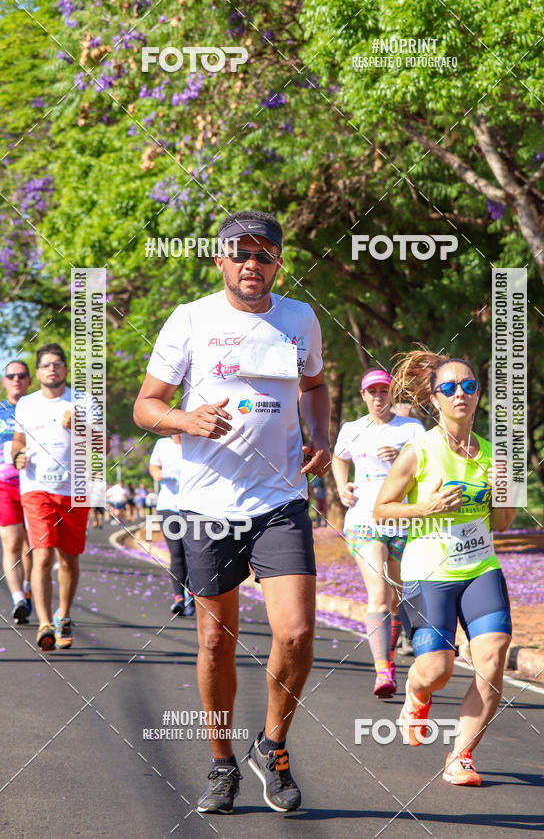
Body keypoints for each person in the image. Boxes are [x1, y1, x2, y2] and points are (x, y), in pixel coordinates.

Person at [134, 210, 330, 815]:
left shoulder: (299, 318)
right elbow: (146, 406)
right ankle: (222, 763)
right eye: (239, 253)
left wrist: (318, 436)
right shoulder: (190, 319)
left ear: (279, 260)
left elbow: (316, 386)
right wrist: (185, 419)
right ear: (219, 259)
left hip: (279, 500)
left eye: (263, 253)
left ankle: (271, 748)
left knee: (296, 633)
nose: (252, 264)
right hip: (205, 504)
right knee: (216, 645)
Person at [373, 350, 515, 786]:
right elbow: (381, 511)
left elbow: (502, 524)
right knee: (438, 670)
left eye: (469, 386)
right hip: (428, 572)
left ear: (479, 394)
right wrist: (427, 506)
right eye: (449, 388)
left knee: (492, 657)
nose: (460, 394)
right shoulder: (418, 451)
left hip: (479, 567)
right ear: (434, 399)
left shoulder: (494, 454)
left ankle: (461, 756)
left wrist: (502, 490)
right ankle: (416, 694)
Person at [332, 368, 425, 698]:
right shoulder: (352, 429)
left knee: (398, 594)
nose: (377, 397)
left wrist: (402, 458)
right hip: (364, 520)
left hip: (402, 520)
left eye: (383, 391)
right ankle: (382, 670)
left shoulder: (412, 429)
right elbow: (339, 458)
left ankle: (397, 643)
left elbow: (427, 469)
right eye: (371, 392)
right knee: (379, 593)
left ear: (391, 393)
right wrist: (343, 487)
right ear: (363, 396)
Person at [12, 343, 105, 651]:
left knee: (68, 559)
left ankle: (63, 614)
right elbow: (18, 441)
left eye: (57, 364)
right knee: (42, 554)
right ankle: (44, 624)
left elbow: (103, 445)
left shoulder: (83, 400)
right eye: (45, 365)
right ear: (37, 373)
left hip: (74, 491)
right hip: (36, 488)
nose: (52, 369)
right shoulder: (26, 404)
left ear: (65, 370)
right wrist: (18, 457)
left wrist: (81, 426)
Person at [0, 361, 33, 623]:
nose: (16, 379)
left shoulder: (38, 409)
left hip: (34, 484)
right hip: (4, 485)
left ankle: (29, 589)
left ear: (29, 380)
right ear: (4, 381)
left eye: (21, 375)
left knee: (31, 545)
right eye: (11, 376)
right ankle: (18, 598)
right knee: (11, 542)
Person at [148, 434, 193, 615]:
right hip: (168, 506)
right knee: (176, 553)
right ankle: (179, 598)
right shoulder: (162, 444)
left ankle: (191, 594)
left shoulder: (195, 444)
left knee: (192, 552)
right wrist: (158, 474)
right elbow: (153, 466)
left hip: (192, 507)